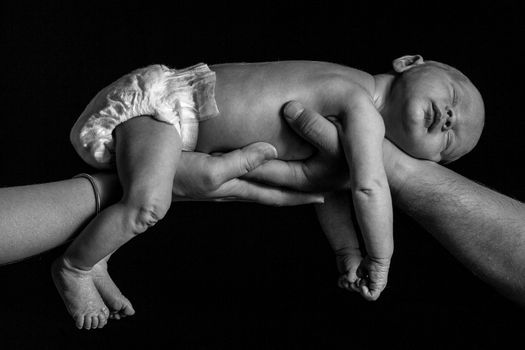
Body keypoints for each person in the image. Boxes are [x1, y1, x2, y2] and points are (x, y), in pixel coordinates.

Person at [0, 100, 523, 329]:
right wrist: (379, 260)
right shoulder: (361, 102)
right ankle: (74, 267)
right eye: (454, 97)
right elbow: (368, 185)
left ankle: (98, 254)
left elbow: (332, 191)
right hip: (165, 109)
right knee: (149, 205)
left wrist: (346, 252)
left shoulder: (349, 126)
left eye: (449, 141)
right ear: (411, 62)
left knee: (141, 200)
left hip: (172, 122)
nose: (450, 117)